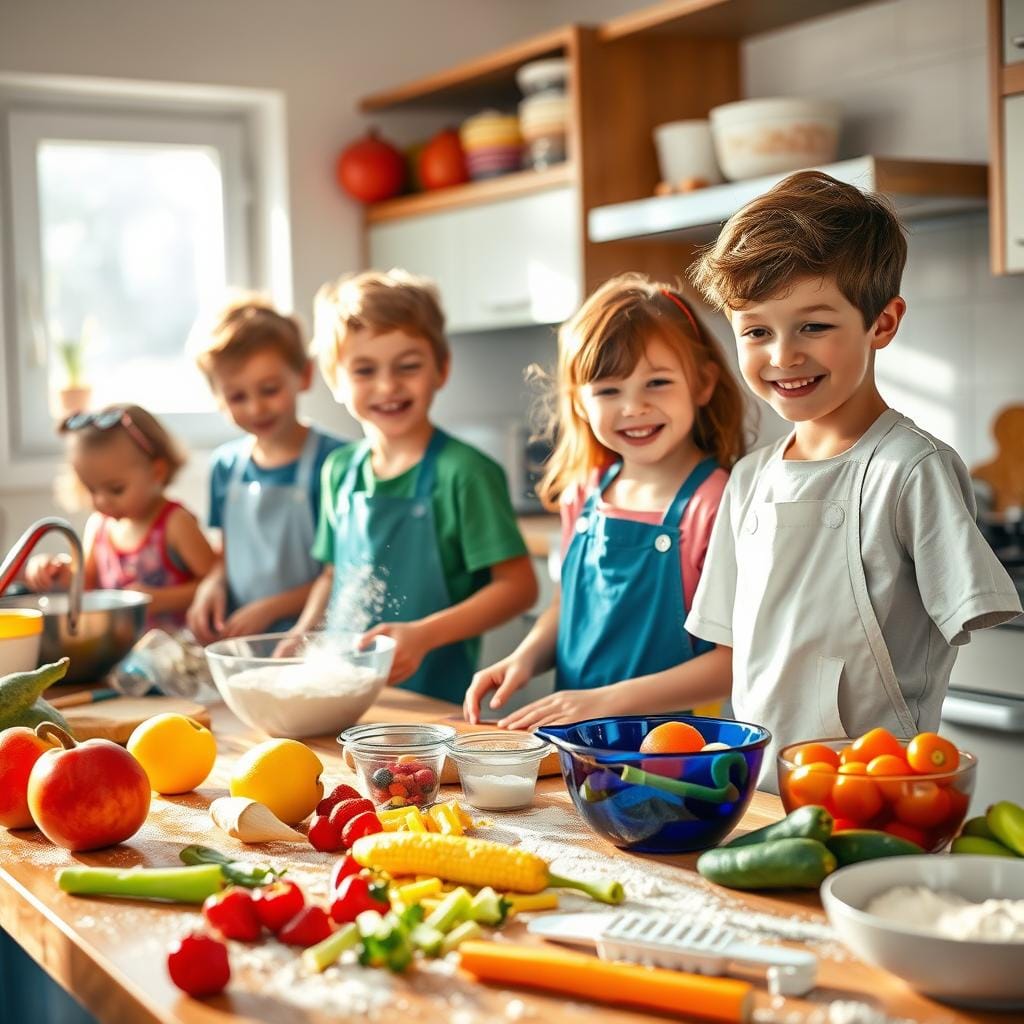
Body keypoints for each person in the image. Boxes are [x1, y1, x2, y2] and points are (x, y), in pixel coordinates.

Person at [684, 170, 1022, 786]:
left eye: (814, 325)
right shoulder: (750, 479)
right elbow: (730, 654)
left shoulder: (912, 470)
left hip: (876, 791)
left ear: (883, 324)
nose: (783, 355)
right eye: (756, 331)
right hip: (752, 784)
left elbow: (966, 611)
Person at [464, 273, 746, 729]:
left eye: (657, 383)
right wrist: (525, 657)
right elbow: (565, 608)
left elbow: (731, 665)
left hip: (676, 757)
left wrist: (604, 702)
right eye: (609, 391)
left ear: (703, 384)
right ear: (578, 403)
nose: (633, 407)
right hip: (577, 746)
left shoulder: (715, 504)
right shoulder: (584, 492)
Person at [288, 269, 537, 705]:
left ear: (441, 369)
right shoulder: (338, 470)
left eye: (408, 366)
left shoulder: (465, 473)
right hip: (346, 694)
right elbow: (333, 574)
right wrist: (303, 636)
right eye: (364, 370)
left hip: (431, 703)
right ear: (334, 380)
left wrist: (424, 636)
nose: (388, 386)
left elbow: (519, 588)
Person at [186, 295, 346, 641]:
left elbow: (344, 573)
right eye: (237, 397)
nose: (257, 407)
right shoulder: (225, 467)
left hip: (317, 643)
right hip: (244, 641)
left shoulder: (337, 463)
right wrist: (212, 585)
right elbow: (224, 558)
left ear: (303, 375)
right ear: (216, 397)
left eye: (269, 389)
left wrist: (270, 609)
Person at [27, 405, 215, 630]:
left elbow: (215, 582)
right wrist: (56, 572)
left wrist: (162, 598)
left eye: (116, 489)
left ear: (157, 472)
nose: (101, 502)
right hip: (117, 650)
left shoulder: (175, 523)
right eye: (91, 489)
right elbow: (85, 585)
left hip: (177, 654)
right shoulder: (99, 525)